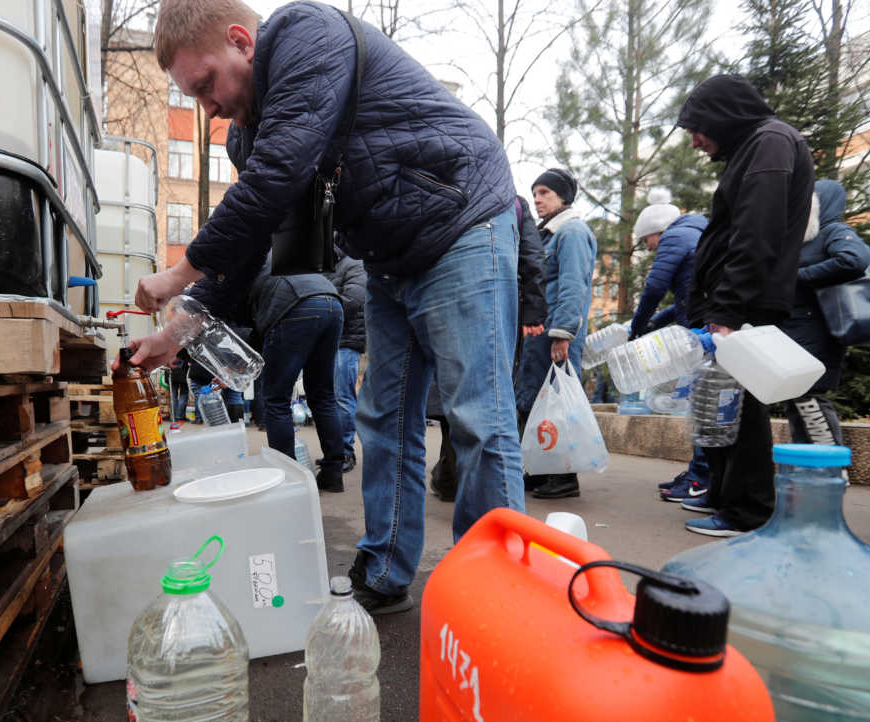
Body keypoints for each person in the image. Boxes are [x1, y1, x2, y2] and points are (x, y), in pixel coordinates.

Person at [132, 0, 523, 614]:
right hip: (390, 257)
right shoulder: (247, 133)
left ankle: (497, 598)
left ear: (242, 41)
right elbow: (255, 238)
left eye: (206, 84)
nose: (206, 107)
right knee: (384, 419)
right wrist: (180, 328)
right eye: (194, 95)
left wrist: (181, 268)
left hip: (462, 221)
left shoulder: (304, 35)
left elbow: (281, 171)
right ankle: (387, 571)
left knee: (478, 416)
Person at [674, 74, 815, 537]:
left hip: (742, 302)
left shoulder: (770, 143)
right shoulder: (756, 146)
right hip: (733, 299)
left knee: (742, 408)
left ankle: (747, 512)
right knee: (723, 406)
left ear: (721, 116)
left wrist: (728, 309)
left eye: (696, 127)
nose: (694, 141)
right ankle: (722, 495)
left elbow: (756, 232)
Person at [193, 254, 347, 491]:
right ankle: (333, 473)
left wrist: (228, 366)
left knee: (276, 399)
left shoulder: (227, 278)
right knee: (323, 395)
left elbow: (244, 332)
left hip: (293, 304)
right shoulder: (265, 253)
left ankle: (290, 478)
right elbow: (255, 335)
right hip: (332, 303)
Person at [429, 194, 545, 502]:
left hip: (450, 297)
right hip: (497, 301)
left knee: (455, 397)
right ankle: (486, 494)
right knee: (490, 396)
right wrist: (533, 306)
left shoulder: (454, 192)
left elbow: (532, 256)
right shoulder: (512, 202)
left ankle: (457, 478)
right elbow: (532, 257)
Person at [513, 168, 597, 498]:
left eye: (545, 192)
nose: (537, 199)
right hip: (540, 335)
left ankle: (564, 477)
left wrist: (563, 333)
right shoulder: (547, 235)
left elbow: (573, 285)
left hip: (556, 335)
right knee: (535, 402)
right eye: (535, 193)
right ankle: (540, 470)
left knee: (558, 405)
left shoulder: (572, 232)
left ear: (564, 197)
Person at [628, 188, 712, 504]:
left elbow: (653, 289)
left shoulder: (675, 238)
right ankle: (698, 473)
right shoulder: (694, 233)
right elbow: (682, 298)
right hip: (705, 321)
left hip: (704, 327)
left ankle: (700, 477)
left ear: (655, 231)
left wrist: (636, 329)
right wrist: (653, 325)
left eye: (646, 240)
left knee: (703, 405)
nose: (648, 248)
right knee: (706, 405)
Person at [777, 179, 870, 448]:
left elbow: (854, 260)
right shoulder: (803, 240)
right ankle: (810, 470)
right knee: (797, 400)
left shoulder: (833, 230)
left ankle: (829, 469)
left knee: (810, 400)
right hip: (793, 332)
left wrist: (795, 278)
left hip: (816, 331)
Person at [325, 241, 367, 474]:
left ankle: (345, 451)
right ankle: (332, 452)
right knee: (326, 400)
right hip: (325, 341)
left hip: (346, 341)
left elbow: (352, 300)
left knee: (342, 398)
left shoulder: (353, 264)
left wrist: (320, 308)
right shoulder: (321, 267)